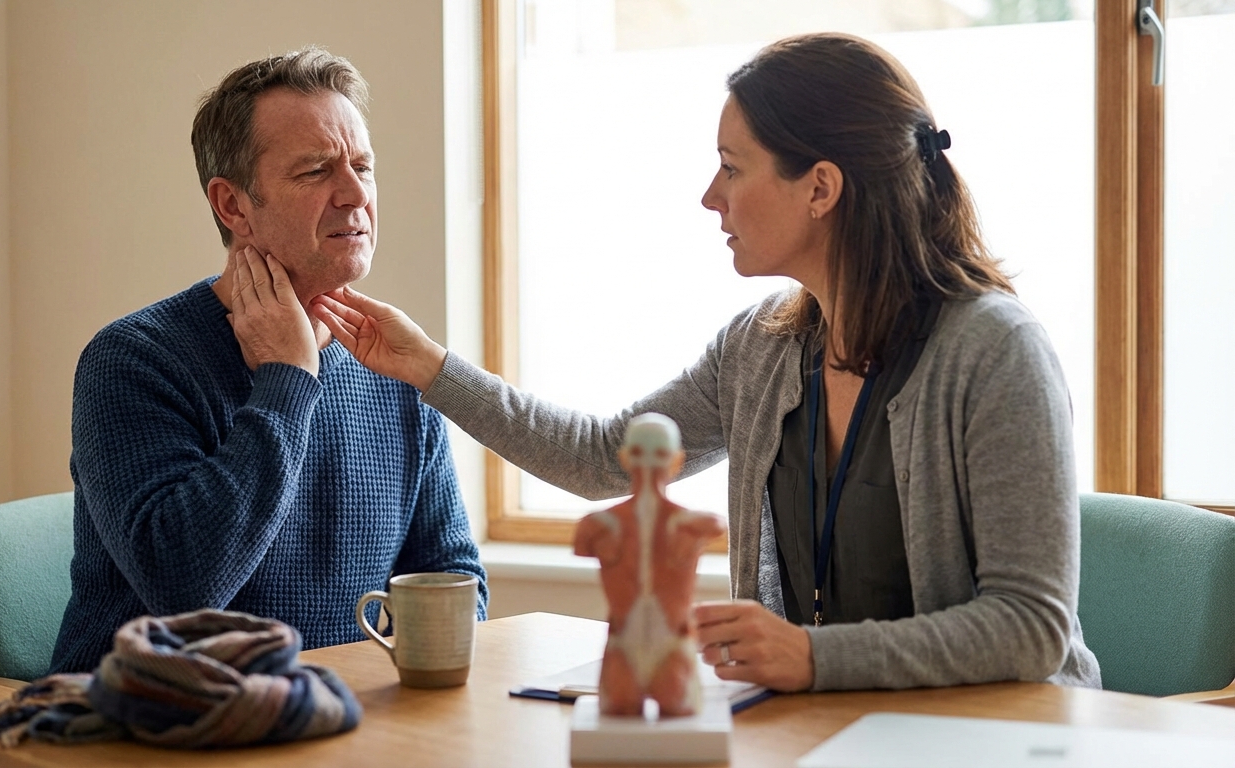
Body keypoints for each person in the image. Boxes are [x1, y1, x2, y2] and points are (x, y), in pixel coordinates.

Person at [313, 32, 1103, 693]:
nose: (708, 197)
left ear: (820, 188)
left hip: (997, 735)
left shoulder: (995, 352)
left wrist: (813, 658)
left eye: (732, 166)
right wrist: (429, 367)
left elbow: (1031, 629)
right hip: (823, 726)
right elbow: (604, 458)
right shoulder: (761, 347)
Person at [49, 47, 487, 674]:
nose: (355, 193)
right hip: (147, 729)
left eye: (362, 165)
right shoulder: (131, 361)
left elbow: (452, 577)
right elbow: (184, 590)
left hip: (332, 722)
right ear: (233, 206)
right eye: (315, 171)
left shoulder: (392, 365)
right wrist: (286, 380)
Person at [574, 414, 726, 716]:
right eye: (641, 453)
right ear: (626, 458)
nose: (649, 465)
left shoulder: (694, 525)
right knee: (618, 708)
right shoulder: (598, 527)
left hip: (673, 642)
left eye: (659, 454)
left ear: (675, 461)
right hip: (623, 643)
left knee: (678, 707)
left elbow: (718, 526)